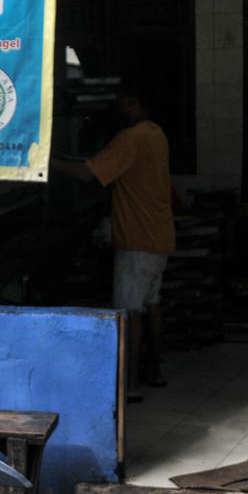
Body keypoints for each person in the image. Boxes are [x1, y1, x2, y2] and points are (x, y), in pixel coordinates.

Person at [53, 81, 176, 395]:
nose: (116, 110)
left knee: (129, 312)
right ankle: (156, 370)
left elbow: (87, 173)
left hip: (136, 241)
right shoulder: (156, 133)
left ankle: (131, 383)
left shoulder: (130, 139)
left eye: (120, 103)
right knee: (152, 305)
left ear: (133, 103)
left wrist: (45, 161)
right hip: (159, 236)